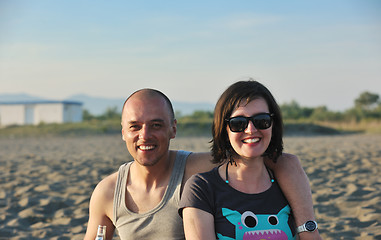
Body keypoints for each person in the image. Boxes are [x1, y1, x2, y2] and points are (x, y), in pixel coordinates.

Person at [84, 88, 319, 240]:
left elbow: (277, 159)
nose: (145, 135)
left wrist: (307, 228)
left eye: (156, 125)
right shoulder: (108, 192)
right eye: (135, 126)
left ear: (173, 128)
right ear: (123, 132)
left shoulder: (196, 168)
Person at [179, 80, 320, 240]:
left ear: (273, 125)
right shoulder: (201, 188)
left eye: (261, 120)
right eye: (238, 123)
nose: (251, 130)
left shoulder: (289, 180)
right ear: (224, 130)